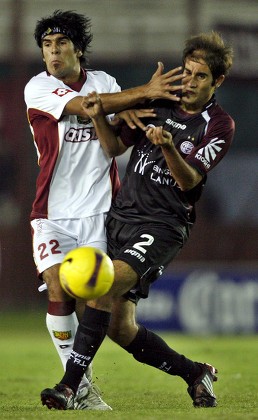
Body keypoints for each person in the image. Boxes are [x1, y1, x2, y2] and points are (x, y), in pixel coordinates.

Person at [40, 31, 234, 410]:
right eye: (188, 73)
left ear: (218, 81)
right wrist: (98, 117)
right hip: (122, 215)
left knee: (102, 283)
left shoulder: (218, 125)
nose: (190, 83)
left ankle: (68, 387)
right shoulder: (160, 103)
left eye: (200, 77)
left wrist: (167, 147)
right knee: (119, 326)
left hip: (163, 225)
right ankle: (195, 373)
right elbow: (114, 147)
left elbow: (189, 179)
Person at [24, 9, 185, 411]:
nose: (53, 53)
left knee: (105, 309)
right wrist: (143, 92)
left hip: (101, 213)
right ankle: (78, 388)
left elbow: (112, 133)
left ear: (78, 49)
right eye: (47, 46)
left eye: (61, 44)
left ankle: (75, 384)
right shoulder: (38, 88)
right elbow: (88, 106)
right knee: (59, 288)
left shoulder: (104, 82)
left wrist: (130, 110)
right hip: (52, 212)